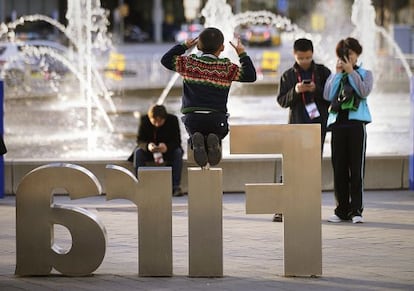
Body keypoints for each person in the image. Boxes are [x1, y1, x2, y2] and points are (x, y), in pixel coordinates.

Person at [161, 27, 257, 167]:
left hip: (193, 118)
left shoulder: (189, 63)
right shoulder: (227, 67)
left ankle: (195, 140)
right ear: (222, 47)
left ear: (198, 45)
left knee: (193, 134)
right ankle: (215, 139)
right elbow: (250, 76)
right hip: (216, 119)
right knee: (222, 131)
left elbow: (165, 60)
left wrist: (184, 46)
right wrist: (242, 53)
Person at [274, 38, 331, 222]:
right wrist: (296, 91)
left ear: (312, 54)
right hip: (296, 126)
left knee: (312, 168)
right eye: (301, 58)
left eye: (307, 57)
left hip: (317, 127)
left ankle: (308, 207)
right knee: (290, 167)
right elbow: (282, 101)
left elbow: (332, 98)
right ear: (294, 55)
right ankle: (281, 208)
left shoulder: (323, 72)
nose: (304, 61)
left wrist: (316, 89)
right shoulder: (288, 75)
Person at [324, 37, 373, 224]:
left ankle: (356, 211)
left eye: (350, 54)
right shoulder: (336, 74)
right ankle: (341, 209)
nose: (347, 58)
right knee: (339, 169)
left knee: (356, 169)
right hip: (338, 125)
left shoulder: (365, 73)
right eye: (343, 55)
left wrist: (351, 72)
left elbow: (363, 91)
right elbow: (328, 94)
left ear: (357, 55)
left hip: (356, 126)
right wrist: (338, 74)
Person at [130, 104, 184, 197]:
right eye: (154, 121)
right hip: (150, 152)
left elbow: (177, 141)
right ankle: (140, 186)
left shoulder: (173, 120)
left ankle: (175, 187)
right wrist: (148, 146)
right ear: (150, 118)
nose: (157, 124)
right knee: (138, 153)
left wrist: (167, 147)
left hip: (167, 151)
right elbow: (139, 141)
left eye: (160, 121)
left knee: (177, 153)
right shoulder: (144, 120)